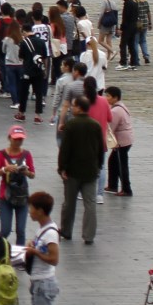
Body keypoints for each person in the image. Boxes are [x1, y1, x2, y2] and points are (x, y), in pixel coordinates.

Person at [6, 191, 60, 305]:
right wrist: (32, 246)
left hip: (44, 283)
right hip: (38, 283)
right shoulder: (43, 230)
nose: (29, 211)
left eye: (32, 208)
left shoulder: (50, 233)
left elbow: (54, 259)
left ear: (41, 210)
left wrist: (35, 252)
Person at [55, 97, 102, 244]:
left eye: (73, 106)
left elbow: (65, 149)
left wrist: (62, 168)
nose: (71, 108)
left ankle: (66, 231)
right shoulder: (95, 125)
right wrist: (99, 166)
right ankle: (89, 236)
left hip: (72, 171)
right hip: (91, 171)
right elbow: (100, 149)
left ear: (80, 108)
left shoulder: (71, 125)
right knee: (90, 204)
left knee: (69, 203)